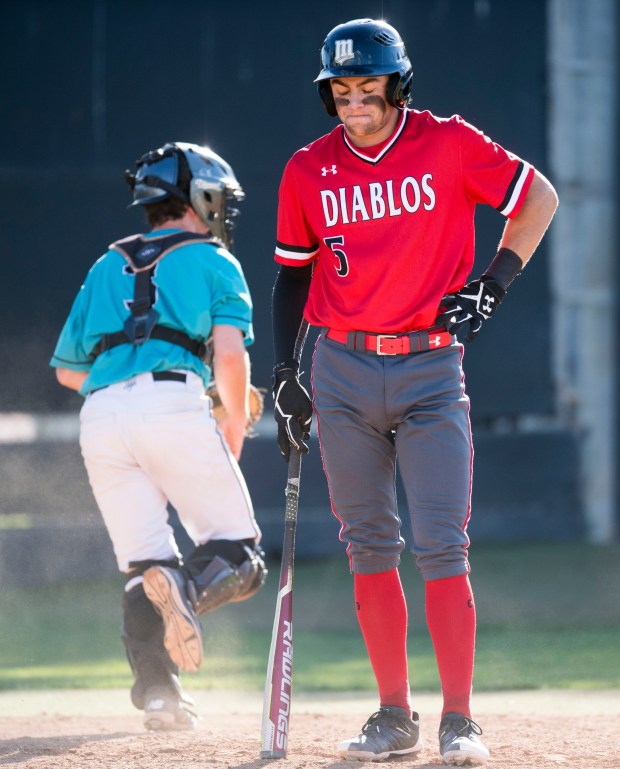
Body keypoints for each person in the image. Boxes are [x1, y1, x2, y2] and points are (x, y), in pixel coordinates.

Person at [271, 18, 558, 766]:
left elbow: (539, 199)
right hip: (340, 369)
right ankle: (392, 714)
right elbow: (293, 275)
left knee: (441, 545)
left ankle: (459, 719)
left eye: (369, 89)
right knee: (369, 545)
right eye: (341, 91)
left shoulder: (450, 142)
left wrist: (494, 285)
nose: (355, 104)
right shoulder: (308, 169)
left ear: (399, 86)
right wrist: (285, 373)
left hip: (432, 368)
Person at [51, 141, 266, 731]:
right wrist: (228, 421)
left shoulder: (105, 264)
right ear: (197, 198)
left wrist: (122, 389)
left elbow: (70, 370)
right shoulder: (215, 259)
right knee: (240, 557)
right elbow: (228, 354)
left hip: (99, 417)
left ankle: (158, 696)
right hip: (174, 400)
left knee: (145, 566)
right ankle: (187, 594)